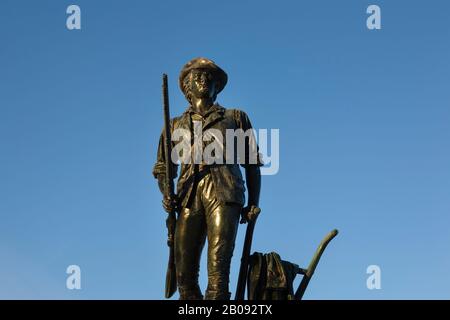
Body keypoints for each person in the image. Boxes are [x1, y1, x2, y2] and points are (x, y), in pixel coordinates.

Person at [153, 57, 262, 300]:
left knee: (218, 268)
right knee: (184, 275)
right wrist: (166, 193)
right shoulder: (173, 125)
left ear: (217, 87)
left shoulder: (235, 117)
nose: (203, 79)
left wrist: (253, 202)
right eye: (197, 76)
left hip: (224, 192)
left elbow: (252, 164)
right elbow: (163, 168)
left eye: (208, 77)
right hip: (188, 196)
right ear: (187, 87)